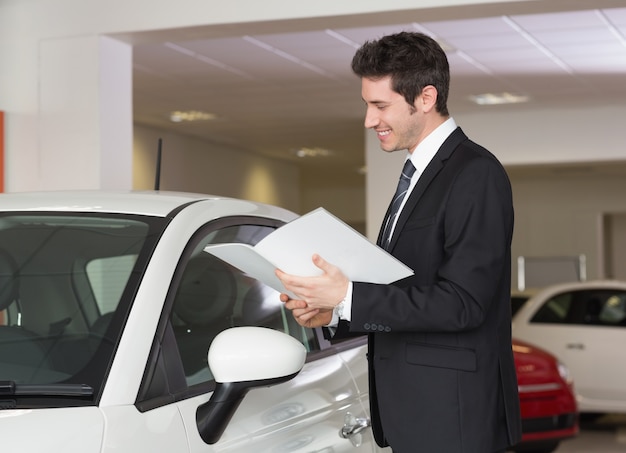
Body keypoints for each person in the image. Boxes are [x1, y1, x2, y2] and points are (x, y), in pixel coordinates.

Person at [276, 31, 522, 453]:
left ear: (425, 98)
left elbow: (465, 303)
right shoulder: (418, 176)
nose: (370, 120)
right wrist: (334, 311)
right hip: (418, 415)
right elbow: (405, 292)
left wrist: (349, 296)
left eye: (380, 105)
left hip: (454, 421)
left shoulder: (475, 173)